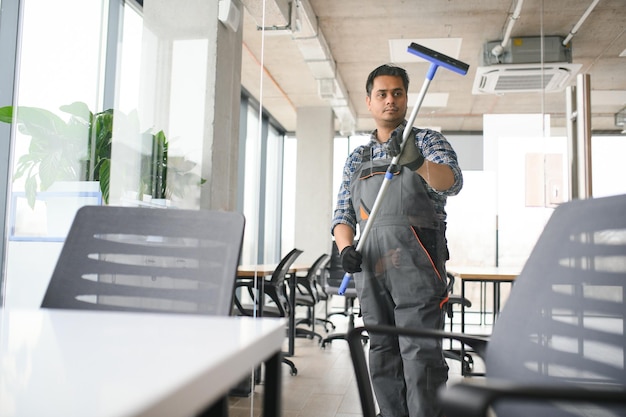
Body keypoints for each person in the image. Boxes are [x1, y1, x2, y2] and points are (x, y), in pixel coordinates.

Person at [331, 63, 463, 417]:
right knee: (383, 353)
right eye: (382, 94)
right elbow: (342, 215)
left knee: (420, 356)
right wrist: (345, 249)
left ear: (406, 98)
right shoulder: (357, 157)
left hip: (418, 265)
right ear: (370, 102)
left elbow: (451, 182)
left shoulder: (427, 141)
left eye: (397, 93)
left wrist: (417, 162)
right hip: (372, 268)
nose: (390, 100)